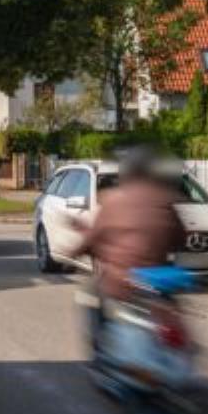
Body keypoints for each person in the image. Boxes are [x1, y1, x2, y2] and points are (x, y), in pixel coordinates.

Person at [70, 147, 186, 356]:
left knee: (89, 296)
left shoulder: (113, 200)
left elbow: (93, 237)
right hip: (158, 279)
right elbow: (181, 238)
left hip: (123, 281)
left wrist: (75, 251)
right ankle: (182, 347)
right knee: (174, 310)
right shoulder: (165, 198)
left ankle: (100, 350)